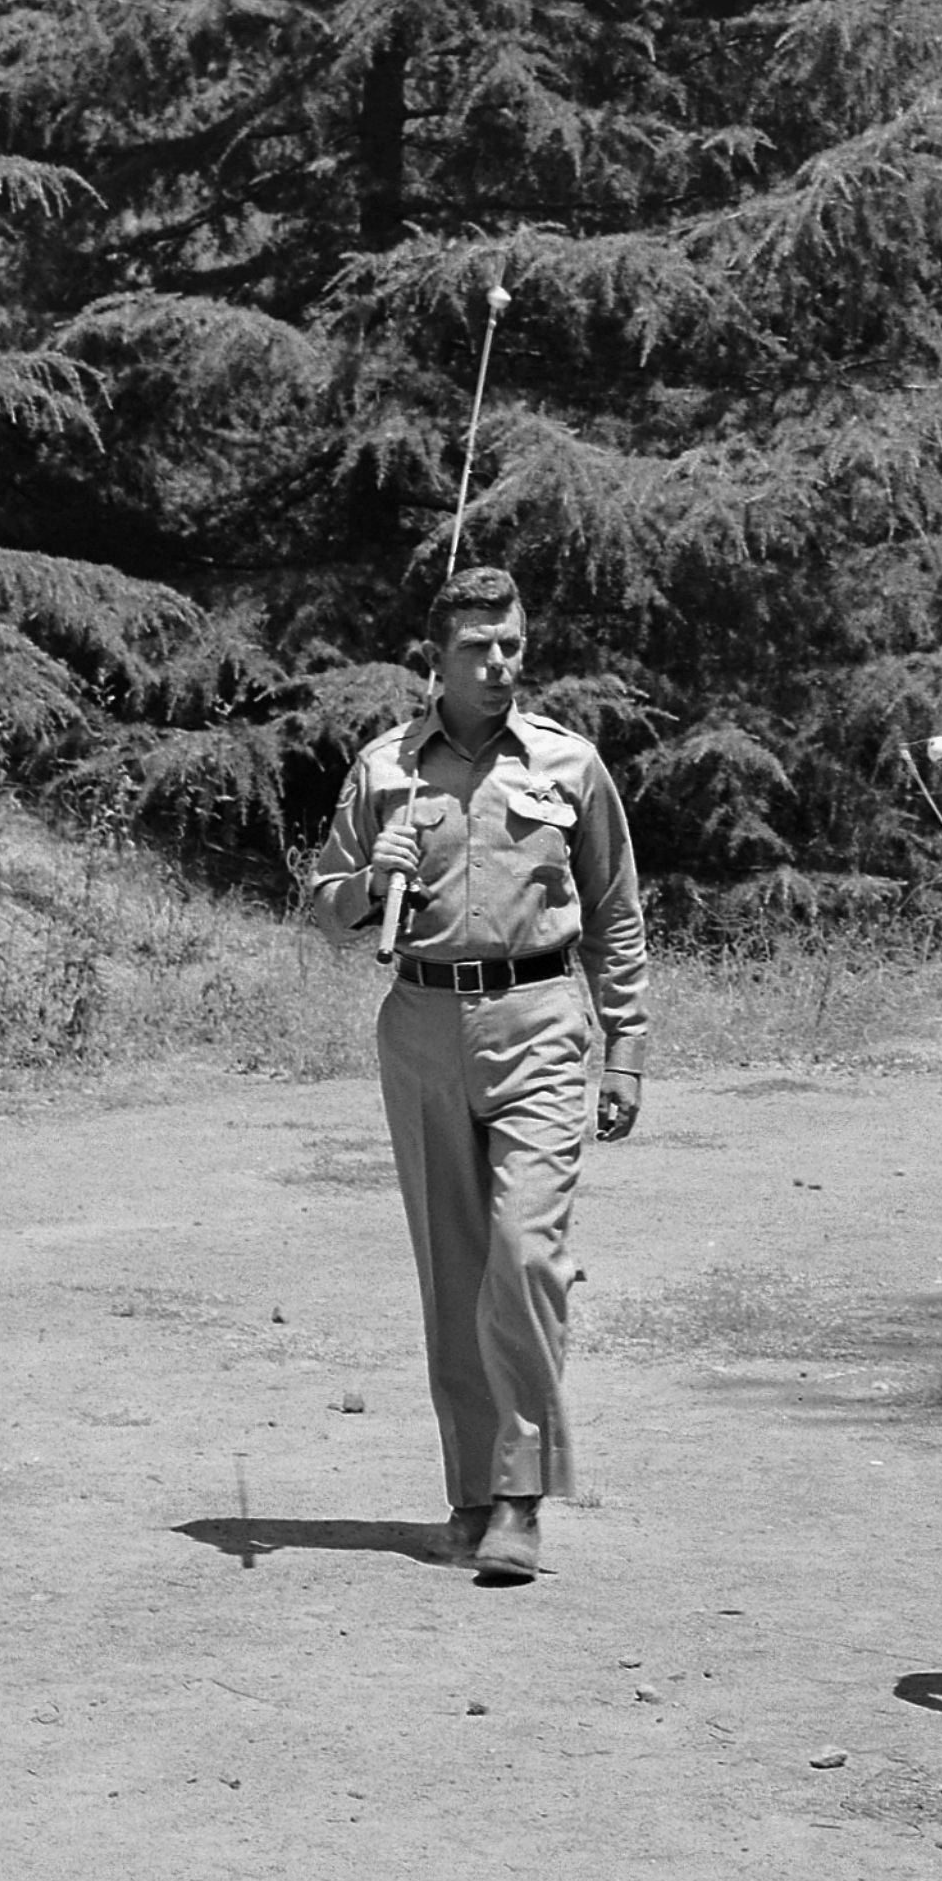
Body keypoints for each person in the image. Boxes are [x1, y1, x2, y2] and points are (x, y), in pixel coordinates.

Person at [308, 565, 646, 1585]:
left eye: (510, 646)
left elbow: (616, 913)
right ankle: (470, 1496)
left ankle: (521, 1494)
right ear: (435, 662)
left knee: (523, 1256)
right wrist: (376, 876)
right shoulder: (384, 771)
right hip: (418, 1020)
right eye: (476, 649)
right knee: (453, 1271)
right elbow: (326, 907)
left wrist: (624, 1046)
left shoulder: (568, 765)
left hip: (540, 1016)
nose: (498, 665)